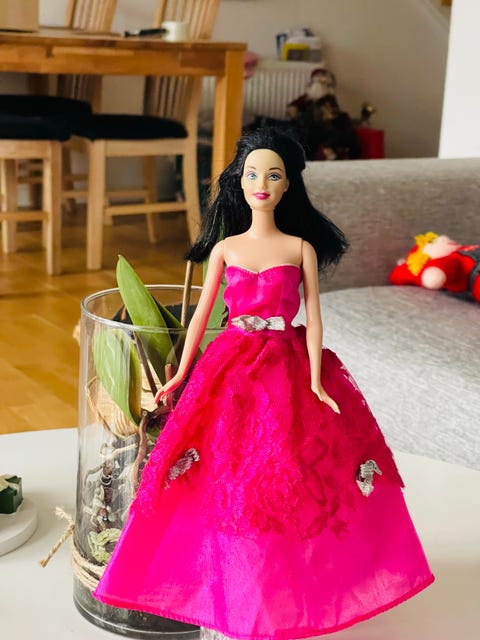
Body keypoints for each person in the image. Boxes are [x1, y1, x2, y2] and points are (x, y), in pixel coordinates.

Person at [94, 127, 434, 639]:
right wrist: (180, 373)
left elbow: (314, 319)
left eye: (273, 175)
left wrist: (317, 380)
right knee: (226, 471)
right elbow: (201, 314)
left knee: (287, 472)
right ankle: (229, 586)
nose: (261, 184)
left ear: (287, 185)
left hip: (286, 367)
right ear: (239, 181)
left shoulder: (300, 249)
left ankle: (284, 587)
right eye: (252, 174)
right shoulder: (226, 248)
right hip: (230, 367)